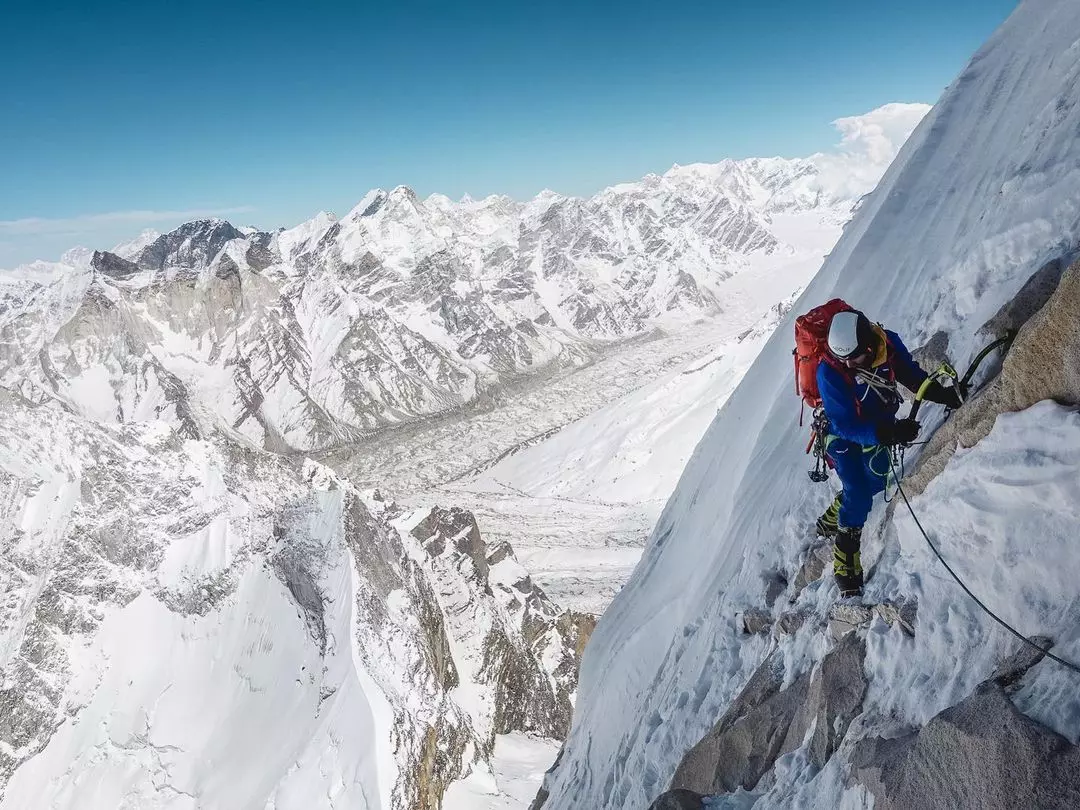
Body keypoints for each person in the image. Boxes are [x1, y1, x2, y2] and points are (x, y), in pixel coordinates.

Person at [813, 309, 962, 597]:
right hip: (840, 435)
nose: (846, 363)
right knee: (857, 490)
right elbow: (844, 424)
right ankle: (845, 558)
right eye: (841, 357)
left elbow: (911, 376)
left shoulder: (887, 344)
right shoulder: (829, 370)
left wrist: (943, 396)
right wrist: (886, 433)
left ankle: (839, 509)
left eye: (852, 357)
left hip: (877, 425)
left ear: (869, 347)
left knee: (877, 480)